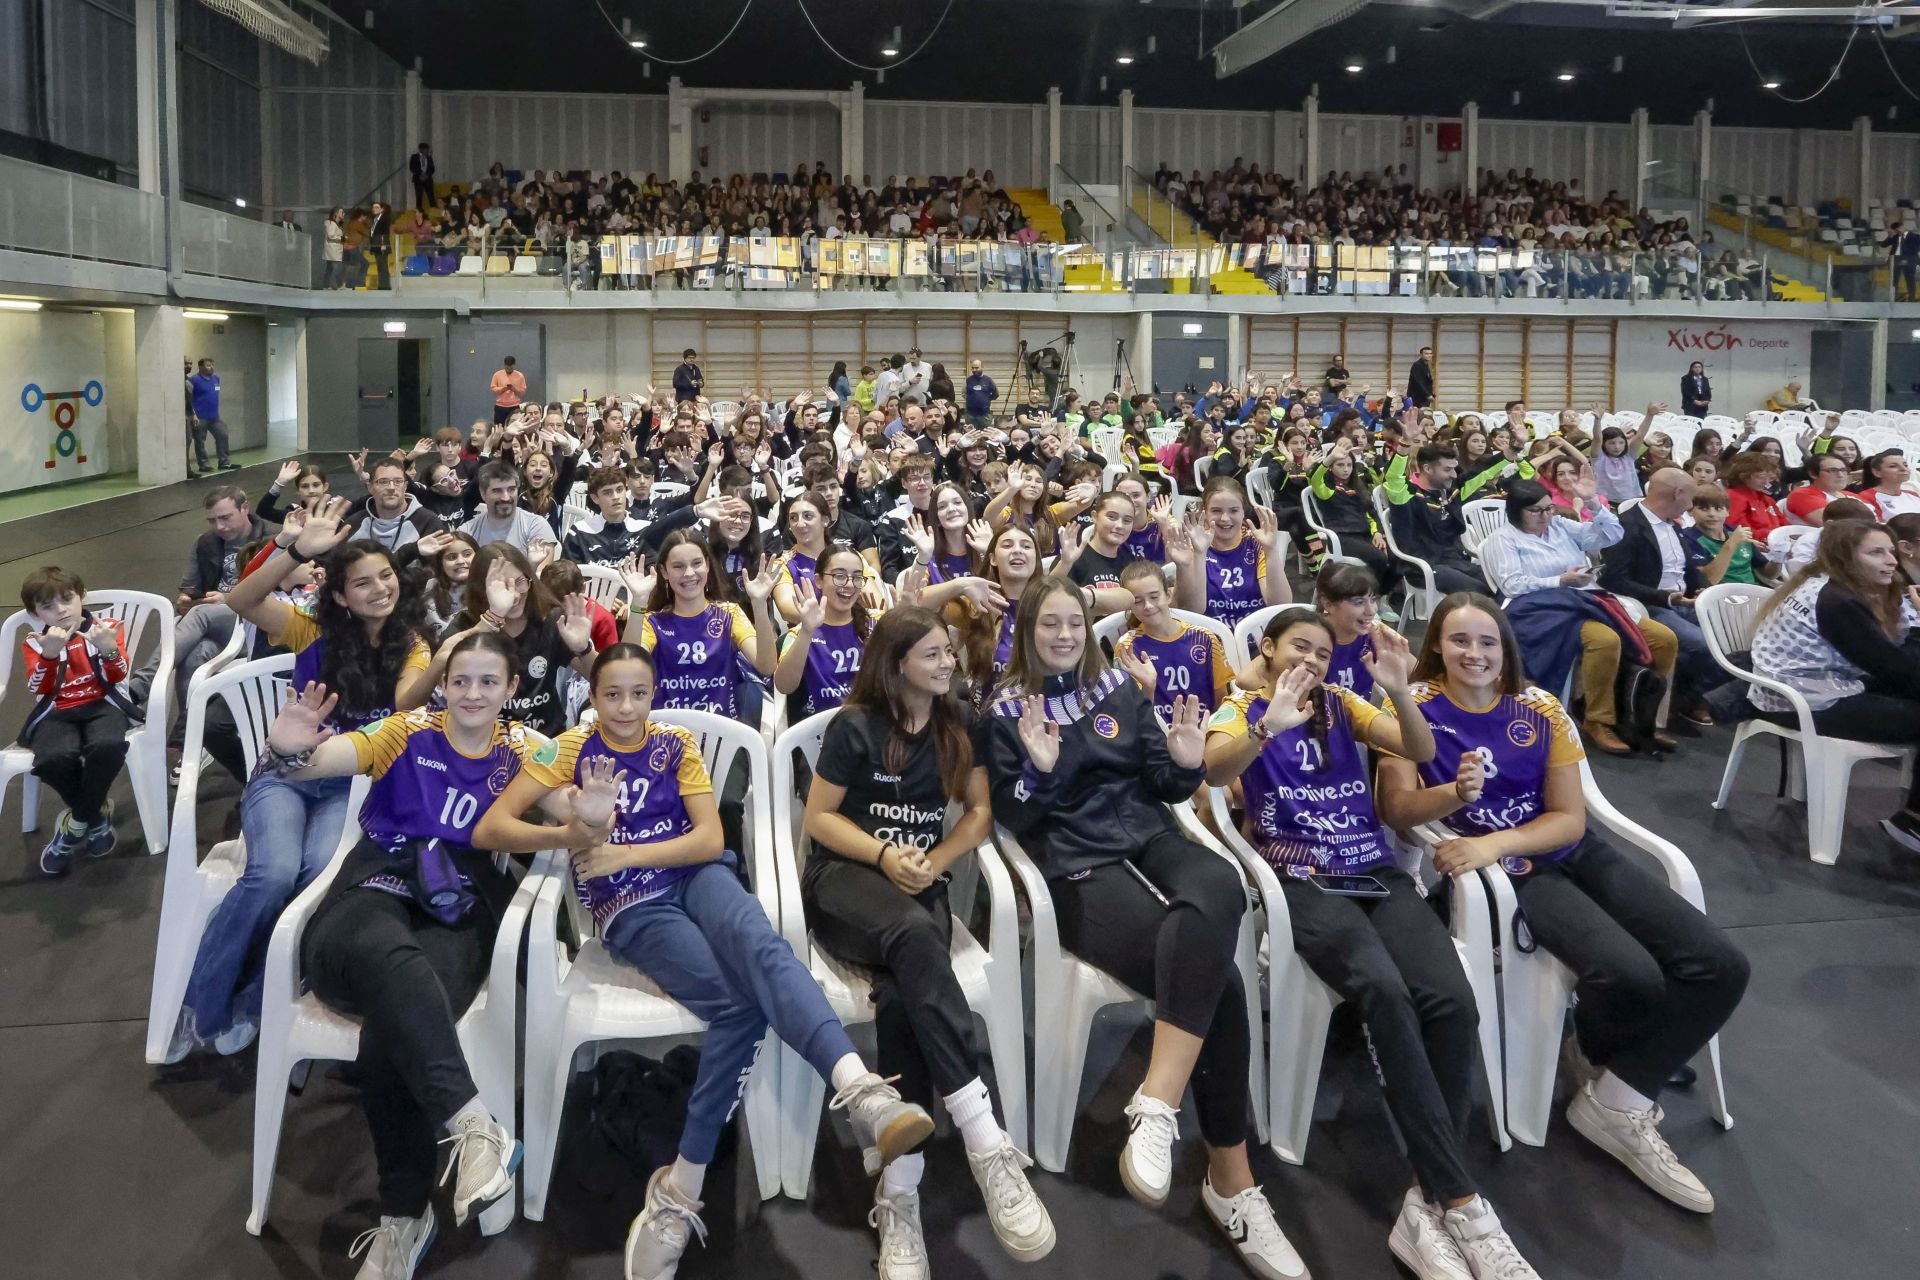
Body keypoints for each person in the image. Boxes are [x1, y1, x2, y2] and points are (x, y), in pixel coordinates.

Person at [474, 643, 939, 1280]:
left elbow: (711, 839)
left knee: (762, 942)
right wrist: (573, 835)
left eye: (640, 693)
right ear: (593, 695)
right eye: (613, 694)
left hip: (695, 876)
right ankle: (682, 1185)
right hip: (632, 904)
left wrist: (626, 852)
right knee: (739, 1007)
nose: (627, 707)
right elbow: (491, 826)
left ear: (654, 693)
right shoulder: (566, 749)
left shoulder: (672, 743)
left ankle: (862, 1092)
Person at [1375, 593, 1749, 1216]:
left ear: (1506, 648)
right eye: (1460, 640)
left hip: (1560, 847)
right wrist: (1452, 798)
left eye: (1488, 641)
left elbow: (1570, 818)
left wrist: (1494, 838)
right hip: (1507, 878)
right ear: (1435, 643)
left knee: (1721, 964)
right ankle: (1616, 1079)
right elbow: (1400, 815)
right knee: (1633, 976)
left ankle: (1615, 1096)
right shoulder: (1412, 710)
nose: (1475, 653)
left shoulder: (1539, 705)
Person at [1205, 607, 1544, 1280]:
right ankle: (1461, 1199)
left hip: (1373, 870)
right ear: (1267, 649)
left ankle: (1425, 1203)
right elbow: (1214, 771)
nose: (1312, 661)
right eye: (1299, 646)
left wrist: (1394, 686)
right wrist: (1265, 722)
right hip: (1299, 875)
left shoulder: (1343, 703)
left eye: (1323, 653)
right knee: (1384, 992)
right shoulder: (1241, 705)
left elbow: (1417, 751)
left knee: (1451, 997)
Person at [983, 576, 1305, 1280]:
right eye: (1049, 626)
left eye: (1074, 623)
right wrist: (1035, 774)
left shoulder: (1120, 691)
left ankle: (1157, 1101)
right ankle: (1233, 1184)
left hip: (1148, 837)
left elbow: (1158, 781)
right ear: (1028, 634)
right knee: (1216, 979)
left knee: (1221, 881)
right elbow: (1010, 820)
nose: (1065, 636)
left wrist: (1184, 760)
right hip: (1075, 866)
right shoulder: (1006, 709)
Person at [252, 634, 572, 1278]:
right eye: (460, 681)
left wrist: (588, 811)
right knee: (377, 948)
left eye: (488, 682)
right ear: (444, 685)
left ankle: (401, 1217)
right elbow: (323, 759)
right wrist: (289, 749)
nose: (473, 694)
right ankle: (472, 1125)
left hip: (464, 901)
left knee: (390, 1026)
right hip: (376, 881)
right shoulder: (406, 731)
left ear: (512, 688)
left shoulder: (528, 750)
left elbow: (574, 814)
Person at [800, 608, 1055, 1271]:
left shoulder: (959, 722)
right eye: (934, 654)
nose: (948, 664)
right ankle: (985, 1137)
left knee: (903, 984)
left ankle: (900, 1192)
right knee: (912, 936)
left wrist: (936, 861)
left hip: (921, 882)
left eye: (949, 652)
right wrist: (886, 857)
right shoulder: (855, 727)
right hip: (847, 883)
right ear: (897, 663)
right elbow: (819, 820)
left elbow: (979, 812)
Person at [169, 500, 437, 1061]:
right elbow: (243, 599)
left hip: (347, 784)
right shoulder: (310, 630)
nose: (379, 589)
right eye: (361, 583)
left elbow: (404, 704)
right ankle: (198, 1004)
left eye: (385, 576)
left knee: (316, 877)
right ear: (339, 595)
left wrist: (448, 655)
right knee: (270, 874)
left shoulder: (413, 645)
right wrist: (292, 550)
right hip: (287, 774)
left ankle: (253, 1000)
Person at [1749, 521, 1920, 850]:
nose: (1891, 560)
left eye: (1890, 550)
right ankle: (1912, 820)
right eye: (1876, 552)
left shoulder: (1829, 584)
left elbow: (1890, 661)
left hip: (1821, 685)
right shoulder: (1838, 602)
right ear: (1846, 557)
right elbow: (1894, 668)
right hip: (1802, 701)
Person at [1480, 475, 1678, 756]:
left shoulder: (1560, 525)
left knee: (1664, 638)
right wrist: (1560, 580)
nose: (1545, 516)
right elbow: (1512, 584)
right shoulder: (1504, 539)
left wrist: (1591, 502)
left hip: (1585, 599)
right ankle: (1598, 720)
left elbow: (1612, 535)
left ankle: (1641, 713)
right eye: (1535, 511)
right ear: (1516, 511)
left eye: (1548, 508)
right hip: (1540, 609)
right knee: (1605, 640)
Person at [17, 566, 134, 876]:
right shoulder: (34, 641)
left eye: (67, 599)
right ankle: (95, 817)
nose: (60, 610)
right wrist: (49, 655)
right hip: (58, 712)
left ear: (82, 597)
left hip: (103, 704)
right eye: (47, 606)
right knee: (51, 758)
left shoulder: (106, 627)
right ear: (35, 613)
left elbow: (119, 674)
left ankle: (76, 824)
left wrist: (108, 648)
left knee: (108, 746)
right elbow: (36, 688)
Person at [1598, 468, 1720, 725]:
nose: (1690, 506)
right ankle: (1683, 699)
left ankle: (1685, 694)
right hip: (1648, 604)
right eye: (1691, 498)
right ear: (1678, 493)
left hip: (1682, 601)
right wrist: (1665, 598)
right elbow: (1613, 580)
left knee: (1731, 638)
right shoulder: (1627, 526)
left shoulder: (1672, 526)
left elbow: (1689, 569)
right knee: (1704, 644)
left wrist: (1704, 589)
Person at [627, 528, 778, 722]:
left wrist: (759, 604)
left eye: (697, 563)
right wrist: (639, 602)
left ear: (707, 565)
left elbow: (766, 666)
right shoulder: (653, 622)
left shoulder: (729, 614)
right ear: (664, 572)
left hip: (723, 735)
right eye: (678, 566)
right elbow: (629, 667)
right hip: (667, 734)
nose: (689, 573)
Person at [1110, 559, 1233, 723]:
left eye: (1154, 596)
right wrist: (1149, 686)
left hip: (1205, 730)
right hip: (1158, 735)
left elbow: (1222, 699)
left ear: (1168, 595)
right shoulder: (1128, 647)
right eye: (1137, 601)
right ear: (1129, 606)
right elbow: (1134, 713)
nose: (1148, 606)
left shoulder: (1205, 638)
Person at [1170, 475, 1291, 627]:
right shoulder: (1193, 545)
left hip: (1255, 639)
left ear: (1243, 512)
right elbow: (1192, 610)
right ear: (1204, 512)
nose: (1225, 518)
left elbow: (1280, 605)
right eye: (1216, 510)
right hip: (1212, 641)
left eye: (1234, 510)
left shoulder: (1256, 543)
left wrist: (1271, 550)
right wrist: (1200, 554)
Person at [773, 546, 875, 719]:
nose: (849, 584)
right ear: (818, 580)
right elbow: (784, 686)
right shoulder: (800, 632)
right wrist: (806, 631)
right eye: (839, 576)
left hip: (870, 731)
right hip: (818, 736)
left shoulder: (876, 624)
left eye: (857, 577)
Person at [348, 457, 447, 552]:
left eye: (398, 481)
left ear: (405, 487)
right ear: (370, 487)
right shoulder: (354, 524)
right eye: (383, 482)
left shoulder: (428, 522)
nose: (391, 487)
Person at [461, 460, 555, 553]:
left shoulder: (536, 525)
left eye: (511, 489)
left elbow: (544, 567)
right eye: (497, 491)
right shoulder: (468, 531)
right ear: (483, 494)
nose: (505, 498)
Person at [187, 358, 239, 473]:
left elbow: (215, 393)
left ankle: (224, 462)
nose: (212, 367)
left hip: (214, 417)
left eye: (212, 365)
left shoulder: (216, 379)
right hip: (200, 417)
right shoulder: (194, 380)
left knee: (223, 434)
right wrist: (193, 415)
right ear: (201, 367)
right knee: (200, 441)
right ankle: (204, 464)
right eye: (208, 365)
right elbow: (189, 399)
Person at [1858, 449, 1920, 520]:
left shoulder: (1913, 494)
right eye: (1893, 466)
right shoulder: (1867, 497)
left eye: (1905, 465)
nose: (1903, 469)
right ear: (1877, 472)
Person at [962, 359, 998, 432]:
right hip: (970, 415)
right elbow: (963, 394)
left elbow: (996, 394)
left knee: (987, 436)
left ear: (982, 367)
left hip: (985, 416)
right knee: (971, 437)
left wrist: (986, 400)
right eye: (973, 368)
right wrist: (972, 400)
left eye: (977, 368)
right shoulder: (967, 380)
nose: (974, 370)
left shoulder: (989, 380)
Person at [490, 357, 526, 427]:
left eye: (510, 367)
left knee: (515, 426)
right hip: (500, 406)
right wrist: (503, 389)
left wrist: (514, 389)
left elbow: (522, 392)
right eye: (507, 367)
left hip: (514, 406)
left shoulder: (520, 375)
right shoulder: (497, 375)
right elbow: (493, 389)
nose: (509, 369)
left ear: (514, 365)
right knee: (499, 427)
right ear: (504, 365)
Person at [368, 200, 393, 290]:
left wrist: (383, 244)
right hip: (376, 245)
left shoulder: (384, 219)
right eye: (373, 207)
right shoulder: (375, 219)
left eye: (376, 207)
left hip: (381, 245)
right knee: (380, 266)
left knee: (383, 266)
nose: (374, 209)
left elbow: (385, 233)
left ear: (381, 209)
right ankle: (382, 285)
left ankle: (385, 285)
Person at [323, 207, 347, 289]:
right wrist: (341, 238)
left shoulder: (334, 224)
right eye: (342, 212)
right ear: (336, 214)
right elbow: (330, 235)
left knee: (330, 268)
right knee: (337, 267)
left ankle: (326, 285)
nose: (344, 214)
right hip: (333, 249)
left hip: (333, 249)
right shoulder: (333, 224)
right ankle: (333, 284)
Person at [408, 142, 435, 211]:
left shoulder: (429, 158)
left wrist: (426, 175)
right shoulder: (414, 157)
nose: (427, 151)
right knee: (419, 196)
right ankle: (419, 211)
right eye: (426, 149)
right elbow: (412, 167)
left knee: (431, 196)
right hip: (418, 179)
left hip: (428, 179)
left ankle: (434, 210)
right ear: (421, 149)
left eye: (427, 149)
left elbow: (432, 169)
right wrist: (420, 173)